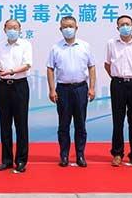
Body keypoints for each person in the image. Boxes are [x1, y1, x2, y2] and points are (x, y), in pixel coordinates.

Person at [46, 16, 96, 168]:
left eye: (71, 26)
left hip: (81, 88)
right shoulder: (56, 48)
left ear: (76, 28)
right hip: (63, 89)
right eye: (65, 27)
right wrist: (52, 89)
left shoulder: (85, 46)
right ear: (60, 29)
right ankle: (64, 155)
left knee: (80, 124)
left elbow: (92, 67)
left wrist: (92, 88)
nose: (68, 29)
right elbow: (50, 69)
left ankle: (80, 155)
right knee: (64, 125)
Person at [105, 14, 132, 167]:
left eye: (127, 24)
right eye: (121, 24)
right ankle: (117, 153)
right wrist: (117, 78)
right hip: (118, 84)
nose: (125, 27)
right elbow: (107, 64)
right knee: (118, 120)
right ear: (117, 27)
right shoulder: (111, 43)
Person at [0, 19, 32, 173]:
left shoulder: (25, 45)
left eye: (15, 28)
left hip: (19, 86)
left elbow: (27, 65)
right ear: (4, 29)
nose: (12, 30)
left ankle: (21, 160)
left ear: (20, 29)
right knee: (5, 124)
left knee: (21, 124)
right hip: (3, 86)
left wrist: (11, 71)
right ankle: (7, 160)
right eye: (9, 28)